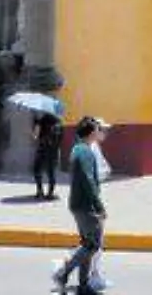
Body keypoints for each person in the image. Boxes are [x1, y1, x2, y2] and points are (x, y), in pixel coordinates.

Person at [52, 116, 110, 294]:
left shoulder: (78, 149)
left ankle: (83, 285)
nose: (100, 132)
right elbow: (88, 180)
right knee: (92, 245)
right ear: (92, 132)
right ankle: (63, 272)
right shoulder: (85, 151)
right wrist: (99, 206)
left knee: (87, 244)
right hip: (85, 205)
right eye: (97, 129)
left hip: (78, 203)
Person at [32, 111, 63, 200]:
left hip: (42, 149)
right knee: (51, 172)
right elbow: (60, 139)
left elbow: (35, 136)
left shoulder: (41, 121)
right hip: (54, 151)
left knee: (37, 170)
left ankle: (40, 191)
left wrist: (36, 126)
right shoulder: (59, 122)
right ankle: (50, 194)